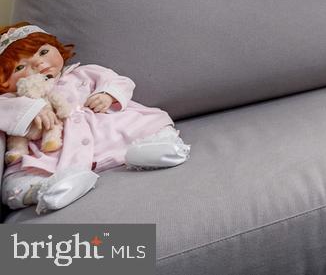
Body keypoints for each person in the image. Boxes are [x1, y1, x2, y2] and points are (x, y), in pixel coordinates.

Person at [0, 22, 189, 215]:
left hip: (107, 130)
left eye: (43, 52)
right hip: (58, 153)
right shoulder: (15, 98)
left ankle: (160, 147)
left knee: (150, 124)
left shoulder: (84, 72)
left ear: (56, 47)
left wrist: (107, 94)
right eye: (20, 66)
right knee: (15, 182)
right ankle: (47, 190)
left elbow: (119, 81)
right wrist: (31, 110)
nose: (39, 64)